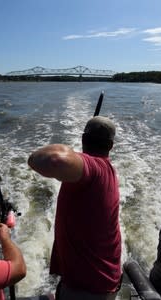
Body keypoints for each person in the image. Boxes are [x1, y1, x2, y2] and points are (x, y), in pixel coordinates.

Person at [28, 116, 122, 300]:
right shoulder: (107, 169)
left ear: (82, 139)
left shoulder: (92, 167)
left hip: (88, 289)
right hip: (103, 281)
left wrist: (77, 155)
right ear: (110, 146)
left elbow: (53, 159)